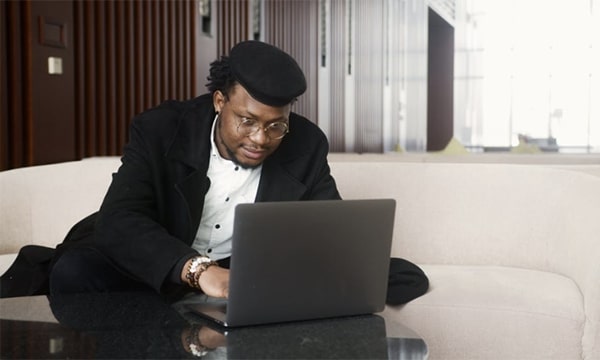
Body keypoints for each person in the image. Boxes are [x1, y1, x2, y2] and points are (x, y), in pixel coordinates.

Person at [2, 40, 428, 304]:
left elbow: (325, 227)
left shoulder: (306, 143)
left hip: (241, 268)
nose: (261, 138)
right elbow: (121, 221)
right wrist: (199, 272)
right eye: (247, 120)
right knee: (74, 271)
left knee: (397, 276)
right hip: (157, 256)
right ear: (220, 101)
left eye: (275, 125)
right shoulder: (161, 127)